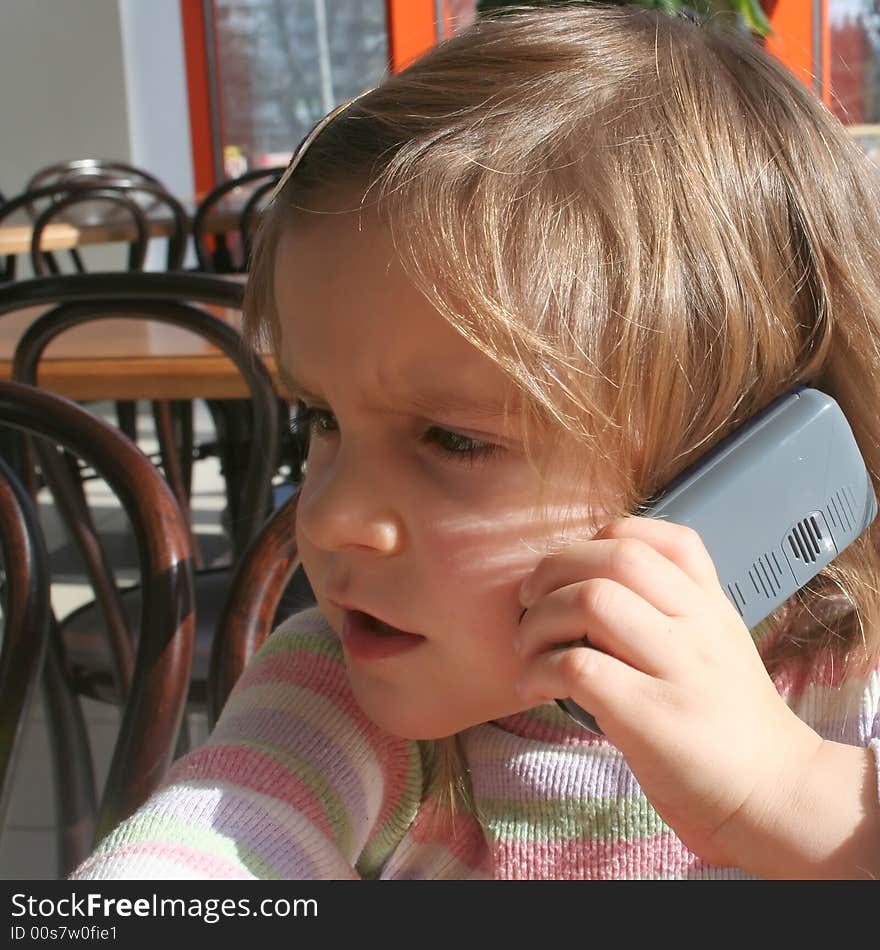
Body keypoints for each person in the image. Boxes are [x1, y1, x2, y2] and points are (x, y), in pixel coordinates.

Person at [73, 4, 880, 880]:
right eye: (321, 419)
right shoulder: (336, 701)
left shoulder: (855, 693)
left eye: (453, 439)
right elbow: (193, 858)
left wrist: (787, 795)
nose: (333, 515)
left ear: (730, 463)